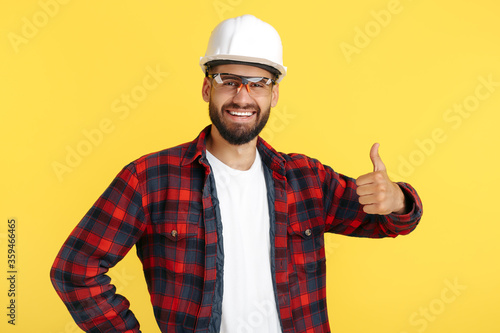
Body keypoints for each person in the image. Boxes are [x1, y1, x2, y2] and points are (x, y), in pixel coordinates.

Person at [50, 14, 423, 333]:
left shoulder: (307, 179)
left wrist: (398, 199)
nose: (242, 97)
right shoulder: (149, 179)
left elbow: (390, 223)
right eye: (229, 80)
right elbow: (74, 269)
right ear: (206, 87)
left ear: (274, 95)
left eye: (259, 83)